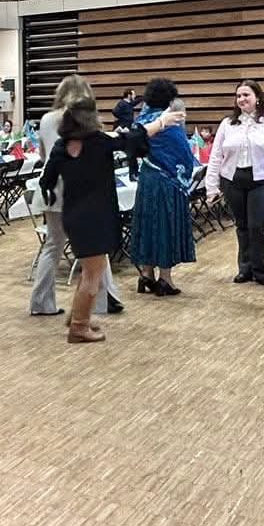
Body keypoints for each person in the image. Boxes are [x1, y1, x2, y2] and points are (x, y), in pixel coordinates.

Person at [42, 98, 174, 343]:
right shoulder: (97, 143)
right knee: (93, 274)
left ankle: (78, 315)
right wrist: (161, 122)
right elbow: (132, 138)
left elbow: (47, 179)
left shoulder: (62, 146)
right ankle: (79, 328)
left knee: (91, 269)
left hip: (73, 216)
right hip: (95, 217)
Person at [29, 74, 126, 319]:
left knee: (52, 245)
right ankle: (101, 302)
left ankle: (41, 301)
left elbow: (43, 155)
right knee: (96, 247)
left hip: (51, 188)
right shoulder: (84, 120)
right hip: (79, 188)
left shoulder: (47, 119)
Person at [205, 81, 264, 286]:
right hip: (233, 180)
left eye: (246, 95)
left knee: (257, 226)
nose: (242, 99)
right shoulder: (228, 123)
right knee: (242, 226)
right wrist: (211, 186)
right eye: (238, 96)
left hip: (263, 180)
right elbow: (216, 155)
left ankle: (262, 271)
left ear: (257, 97)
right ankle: (245, 268)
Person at [131, 77, 197, 296]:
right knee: (164, 225)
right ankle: (165, 279)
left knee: (147, 223)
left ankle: (146, 274)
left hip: (147, 178)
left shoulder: (142, 120)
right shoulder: (169, 123)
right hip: (166, 181)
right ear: (170, 99)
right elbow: (184, 155)